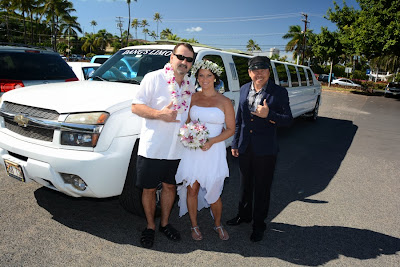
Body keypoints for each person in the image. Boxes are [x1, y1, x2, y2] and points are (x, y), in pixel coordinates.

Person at [131, 43, 196, 248]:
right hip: (154, 146)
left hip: (177, 148)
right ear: (171, 58)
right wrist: (160, 114)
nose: (184, 62)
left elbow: (188, 113)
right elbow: (136, 106)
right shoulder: (154, 78)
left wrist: (194, 130)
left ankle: (165, 223)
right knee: (149, 189)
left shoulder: (190, 84)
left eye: (189, 60)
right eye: (181, 57)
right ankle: (150, 226)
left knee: (170, 186)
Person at [227, 56, 293, 242]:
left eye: (263, 69)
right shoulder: (244, 89)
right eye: (255, 70)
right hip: (245, 146)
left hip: (266, 150)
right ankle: (244, 215)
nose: (259, 73)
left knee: (262, 189)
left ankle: (258, 224)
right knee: (244, 185)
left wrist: (269, 114)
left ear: (269, 72)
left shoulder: (278, 92)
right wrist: (235, 143)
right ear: (249, 73)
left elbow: (288, 120)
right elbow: (240, 119)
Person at [175, 60, 235, 241]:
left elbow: (231, 129)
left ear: (215, 78)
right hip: (193, 151)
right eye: (201, 75)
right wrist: (188, 135)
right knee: (192, 190)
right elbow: (185, 122)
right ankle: (194, 225)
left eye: (209, 75)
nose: (204, 79)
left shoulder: (224, 101)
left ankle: (218, 224)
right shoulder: (193, 98)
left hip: (214, 151)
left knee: (214, 193)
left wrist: (212, 141)